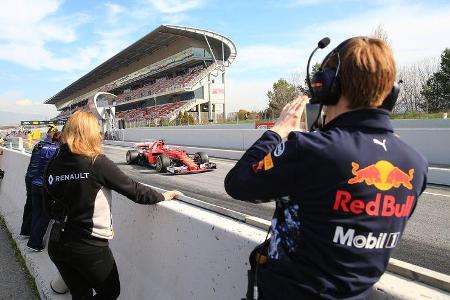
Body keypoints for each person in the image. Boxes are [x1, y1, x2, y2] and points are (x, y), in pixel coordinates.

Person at [225, 37, 428, 299]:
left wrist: (278, 131)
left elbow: (238, 182)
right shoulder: (415, 164)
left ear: (329, 86)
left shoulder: (310, 150)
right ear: (391, 93)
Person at [44, 111, 182, 299]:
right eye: (97, 131)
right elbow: (134, 190)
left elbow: (47, 205)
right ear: (91, 134)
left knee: (80, 294)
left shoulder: (53, 163)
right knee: (110, 292)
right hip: (89, 246)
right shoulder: (96, 162)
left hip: (57, 243)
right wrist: (162, 196)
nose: (100, 135)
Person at [21, 125, 59, 237]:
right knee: (40, 209)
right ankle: (32, 235)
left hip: (30, 176)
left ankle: (25, 231)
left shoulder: (39, 144)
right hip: (38, 180)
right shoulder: (53, 147)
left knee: (30, 204)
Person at [27, 131, 62, 251]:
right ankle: (34, 242)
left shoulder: (43, 147)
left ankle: (32, 237)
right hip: (44, 187)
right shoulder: (57, 151)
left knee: (36, 213)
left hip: (34, 184)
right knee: (46, 215)